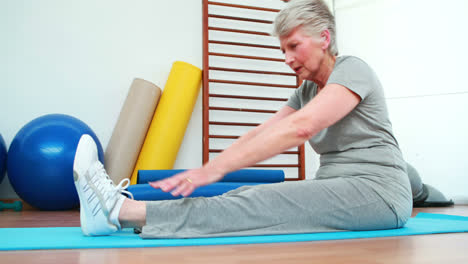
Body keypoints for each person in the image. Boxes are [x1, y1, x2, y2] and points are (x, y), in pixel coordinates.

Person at [73, 0, 412, 238]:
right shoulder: (305, 92)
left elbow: (301, 127)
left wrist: (215, 170)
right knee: (248, 193)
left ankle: (119, 212)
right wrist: (212, 166)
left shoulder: (352, 69)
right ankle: (122, 212)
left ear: (324, 38)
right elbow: (260, 134)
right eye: (283, 50)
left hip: (379, 192)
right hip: (336, 187)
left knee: (262, 200)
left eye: (294, 46)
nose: (287, 58)